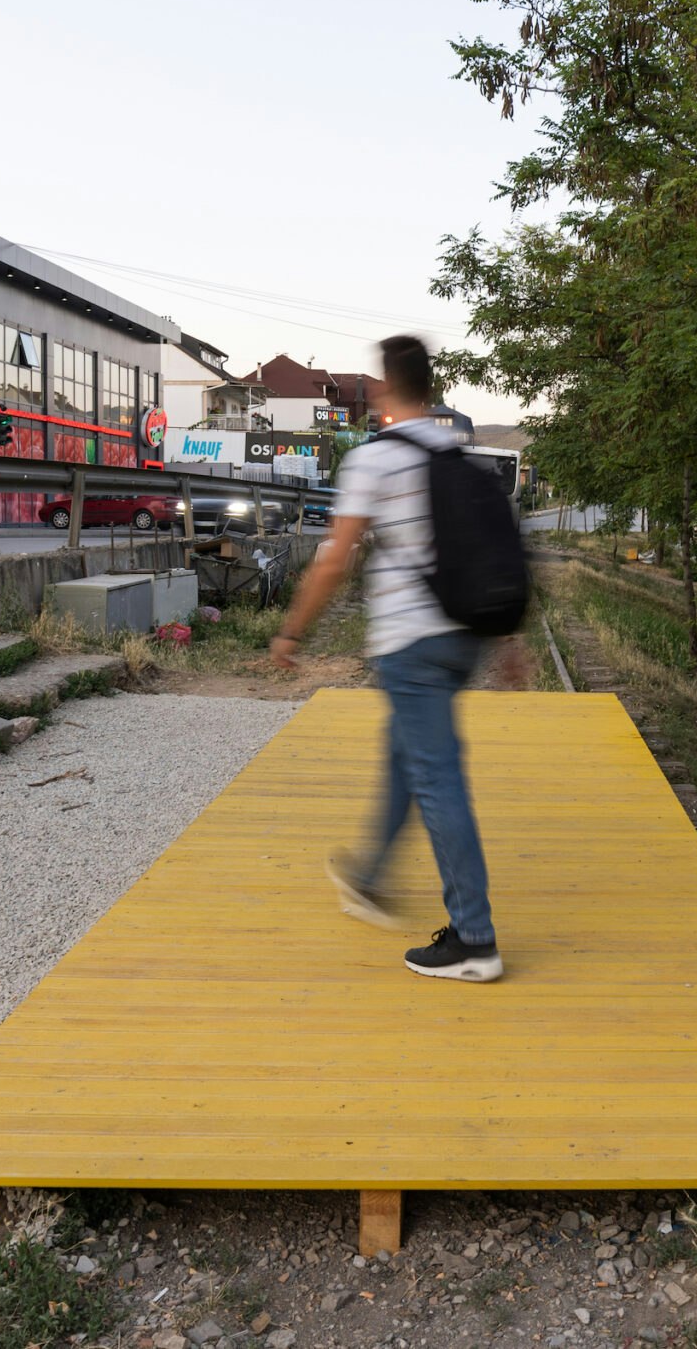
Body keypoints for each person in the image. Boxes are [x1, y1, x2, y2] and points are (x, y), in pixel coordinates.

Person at [270, 334, 501, 983]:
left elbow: (334, 560)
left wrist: (291, 633)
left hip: (412, 644)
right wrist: (508, 642)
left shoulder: (375, 460)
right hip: (462, 638)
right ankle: (370, 876)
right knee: (408, 756)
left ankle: (475, 940)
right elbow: (482, 548)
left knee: (437, 779)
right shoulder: (455, 455)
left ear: (384, 388)